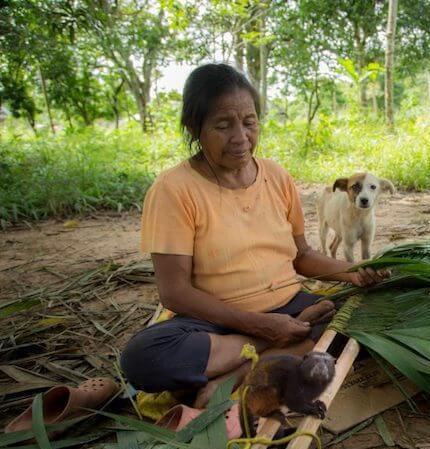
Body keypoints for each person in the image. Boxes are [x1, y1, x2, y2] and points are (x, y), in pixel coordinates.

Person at [120, 64, 387, 408]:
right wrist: (262, 328)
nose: (240, 137)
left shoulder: (276, 176)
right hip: (217, 321)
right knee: (143, 358)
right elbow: (175, 292)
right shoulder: (173, 190)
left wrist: (352, 273)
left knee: (370, 318)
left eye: (249, 123)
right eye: (222, 125)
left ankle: (234, 375)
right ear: (194, 127)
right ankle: (272, 347)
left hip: (290, 303)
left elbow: (301, 255)